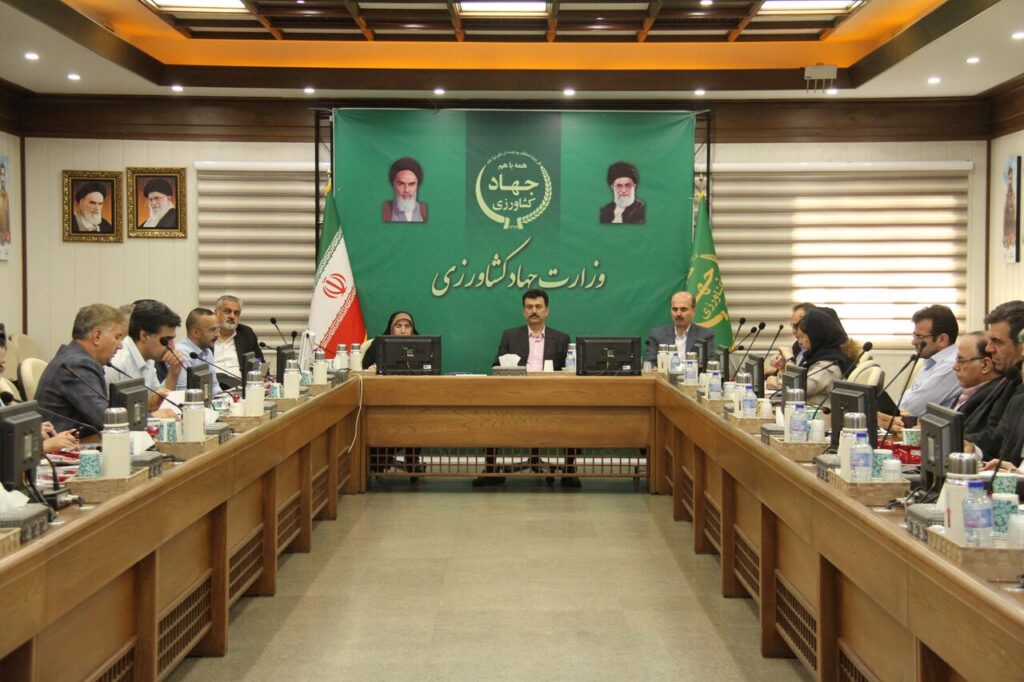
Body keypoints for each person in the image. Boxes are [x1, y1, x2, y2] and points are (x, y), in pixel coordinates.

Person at [476, 289, 577, 488]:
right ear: (524, 311)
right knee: (490, 414)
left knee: (574, 413)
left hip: (552, 397)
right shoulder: (510, 336)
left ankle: (569, 471)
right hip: (515, 396)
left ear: (547, 310)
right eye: (529, 307)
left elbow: (568, 371)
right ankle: (490, 470)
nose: (534, 311)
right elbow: (496, 365)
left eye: (538, 307)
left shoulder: (561, 338)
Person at [34, 304, 127, 433]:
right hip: (64, 442)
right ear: (97, 336)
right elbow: (105, 419)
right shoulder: (78, 364)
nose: (120, 346)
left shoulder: (76, 358)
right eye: (117, 337)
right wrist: (143, 416)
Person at [363, 311, 424, 481]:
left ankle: (411, 459)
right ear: (391, 328)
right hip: (382, 402)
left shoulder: (421, 346)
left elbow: (429, 371)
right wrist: (371, 370)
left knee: (418, 418)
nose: (403, 331)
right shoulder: (378, 345)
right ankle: (382, 459)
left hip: (412, 401)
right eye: (398, 326)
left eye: (407, 326)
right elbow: (363, 369)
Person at [965, 300, 1024, 460]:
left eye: (997, 341)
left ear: (1021, 346)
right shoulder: (1012, 377)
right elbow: (998, 436)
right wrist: (967, 446)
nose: (988, 348)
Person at [897, 305, 961, 416]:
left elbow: (912, 409)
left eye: (919, 337)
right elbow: (906, 400)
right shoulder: (931, 360)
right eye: (914, 335)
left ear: (942, 339)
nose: (913, 342)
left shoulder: (950, 365)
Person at [792, 308, 850, 410]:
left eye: (802, 337)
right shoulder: (820, 356)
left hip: (822, 417)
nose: (799, 342)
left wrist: (789, 361)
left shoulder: (828, 365)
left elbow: (797, 389)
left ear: (816, 337)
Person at [645, 291, 716, 366]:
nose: (678, 314)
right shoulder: (657, 335)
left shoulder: (705, 336)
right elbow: (650, 364)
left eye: (683, 309)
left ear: (693, 311)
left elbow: (709, 365)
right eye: (675, 309)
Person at [951, 332, 1002, 434]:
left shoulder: (994, 400)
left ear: (985, 365)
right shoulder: (969, 392)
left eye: (961, 360)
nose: (955, 367)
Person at [213, 295, 263, 388]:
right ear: (216, 313)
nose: (232, 316)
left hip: (242, 389)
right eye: (227, 311)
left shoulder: (246, 334)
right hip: (214, 389)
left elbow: (260, 363)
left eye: (236, 313)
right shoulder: (207, 333)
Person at [175, 307, 223, 396]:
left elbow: (214, 386)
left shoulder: (207, 351)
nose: (218, 334)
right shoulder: (181, 354)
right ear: (196, 332)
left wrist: (226, 400)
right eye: (213, 330)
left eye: (218, 329)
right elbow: (182, 392)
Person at [382, 157, 427, 223]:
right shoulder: (385, 210)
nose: (406, 190)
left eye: (411, 184)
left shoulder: (424, 210)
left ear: (417, 185)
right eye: (401, 184)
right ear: (394, 185)